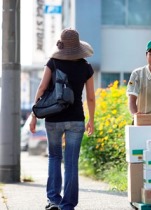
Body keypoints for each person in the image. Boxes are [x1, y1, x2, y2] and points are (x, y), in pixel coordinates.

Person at [29, 28, 95, 210]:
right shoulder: (86, 67)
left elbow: (42, 88)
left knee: (54, 157)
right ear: (78, 48)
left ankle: (54, 200)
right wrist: (92, 120)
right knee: (72, 162)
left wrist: (34, 116)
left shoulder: (53, 62)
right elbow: (90, 97)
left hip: (53, 118)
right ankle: (68, 205)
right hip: (76, 120)